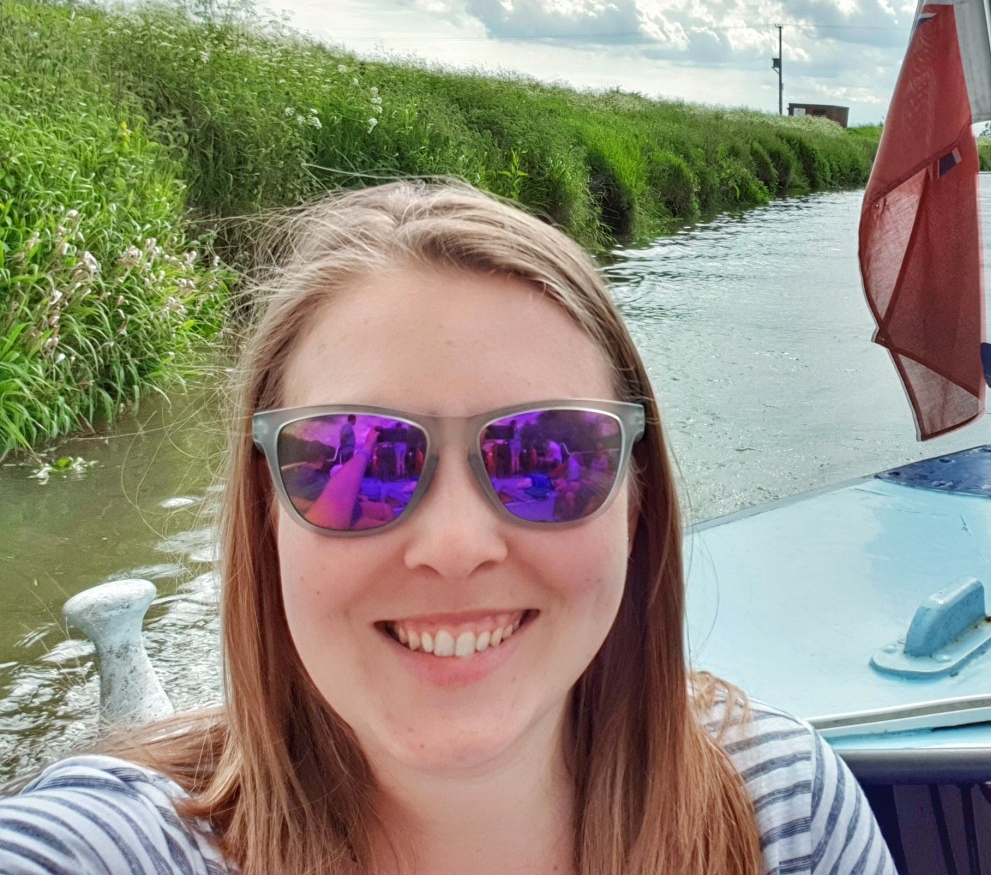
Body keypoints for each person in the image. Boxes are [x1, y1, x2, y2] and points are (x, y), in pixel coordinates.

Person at [0, 181, 896, 875]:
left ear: (637, 500)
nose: (456, 545)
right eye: (356, 459)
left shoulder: (783, 819)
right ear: (265, 512)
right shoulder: (109, 849)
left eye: (549, 454)